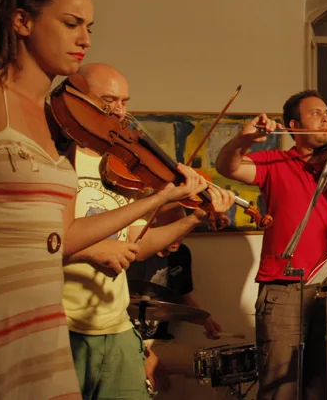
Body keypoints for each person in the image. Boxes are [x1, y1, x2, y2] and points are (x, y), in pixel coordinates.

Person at [0, 0, 207, 400]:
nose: (85, 38)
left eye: (89, 27)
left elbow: (65, 236)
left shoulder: (54, 124)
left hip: (40, 324)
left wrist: (160, 199)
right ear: (21, 21)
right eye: (71, 24)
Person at [62, 63, 235, 400]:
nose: (120, 112)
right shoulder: (60, 159)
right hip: (62, 324)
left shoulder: (121, 166)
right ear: (78, 98)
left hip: (115, 325)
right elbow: (43, 240)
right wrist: (92, 250)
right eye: (108, 100)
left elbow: (138, 246)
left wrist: (194, 218)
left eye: (125, 102)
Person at [215, 89, 327, 400]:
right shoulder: (276, 162)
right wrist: (244, 140)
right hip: (283, 286)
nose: (326, 119)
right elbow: (227, 167)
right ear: (294, 126)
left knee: (326, 387)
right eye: (315, 113)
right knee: (279, 389)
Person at [127, 238, 221, 394]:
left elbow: (183, 301)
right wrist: (143, 353)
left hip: (161, 342)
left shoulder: (181, 254)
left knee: (216, 364)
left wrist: (206, 320)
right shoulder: (133, 253)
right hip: (128, 342)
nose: (178, 238)